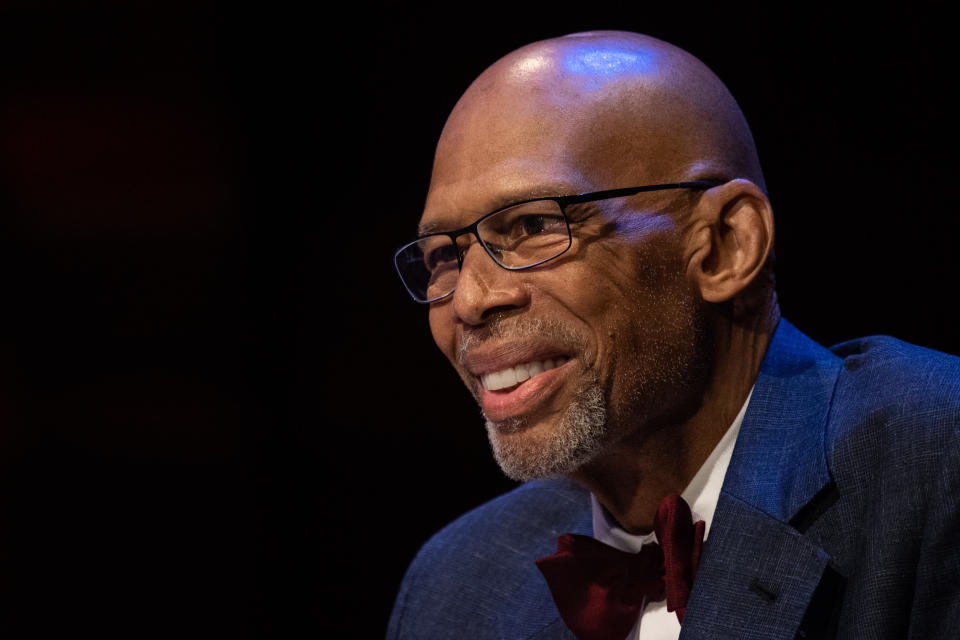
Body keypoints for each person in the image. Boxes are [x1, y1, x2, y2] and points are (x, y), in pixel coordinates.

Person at [387, 31, 960, 639]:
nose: (471, 301)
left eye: (534, 225)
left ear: (725, 247)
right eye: (443, 255)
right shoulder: (456, 586)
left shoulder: (935, 460)